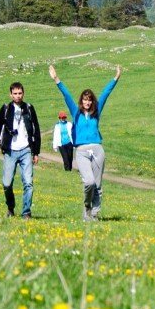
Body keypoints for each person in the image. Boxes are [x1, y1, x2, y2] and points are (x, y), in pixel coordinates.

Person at [50, 63, 120, 221]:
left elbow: (105, 94)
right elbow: (66, 95)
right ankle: (87, 207)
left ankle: (93, 214)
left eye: (89, 100)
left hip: (97, 150)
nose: (87, 102)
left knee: (98, 184)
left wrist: (115, 78)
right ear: (81, 101)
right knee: (88, 182)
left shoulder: (96, 112)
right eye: (85, 100)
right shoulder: (75, 113)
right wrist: (57, 79)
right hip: (81, 151)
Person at [0, 81, 41, 218]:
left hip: (26, 150)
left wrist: (36, 152)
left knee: (28, 183)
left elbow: (36, 130)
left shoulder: (29, 108)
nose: (18, 96)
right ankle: (10, 208)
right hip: (10, 151)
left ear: (23, 93)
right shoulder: (6, 109)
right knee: (6, 183)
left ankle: (26, 212)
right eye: (15, 93)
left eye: (20, 93)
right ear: (10, 94)